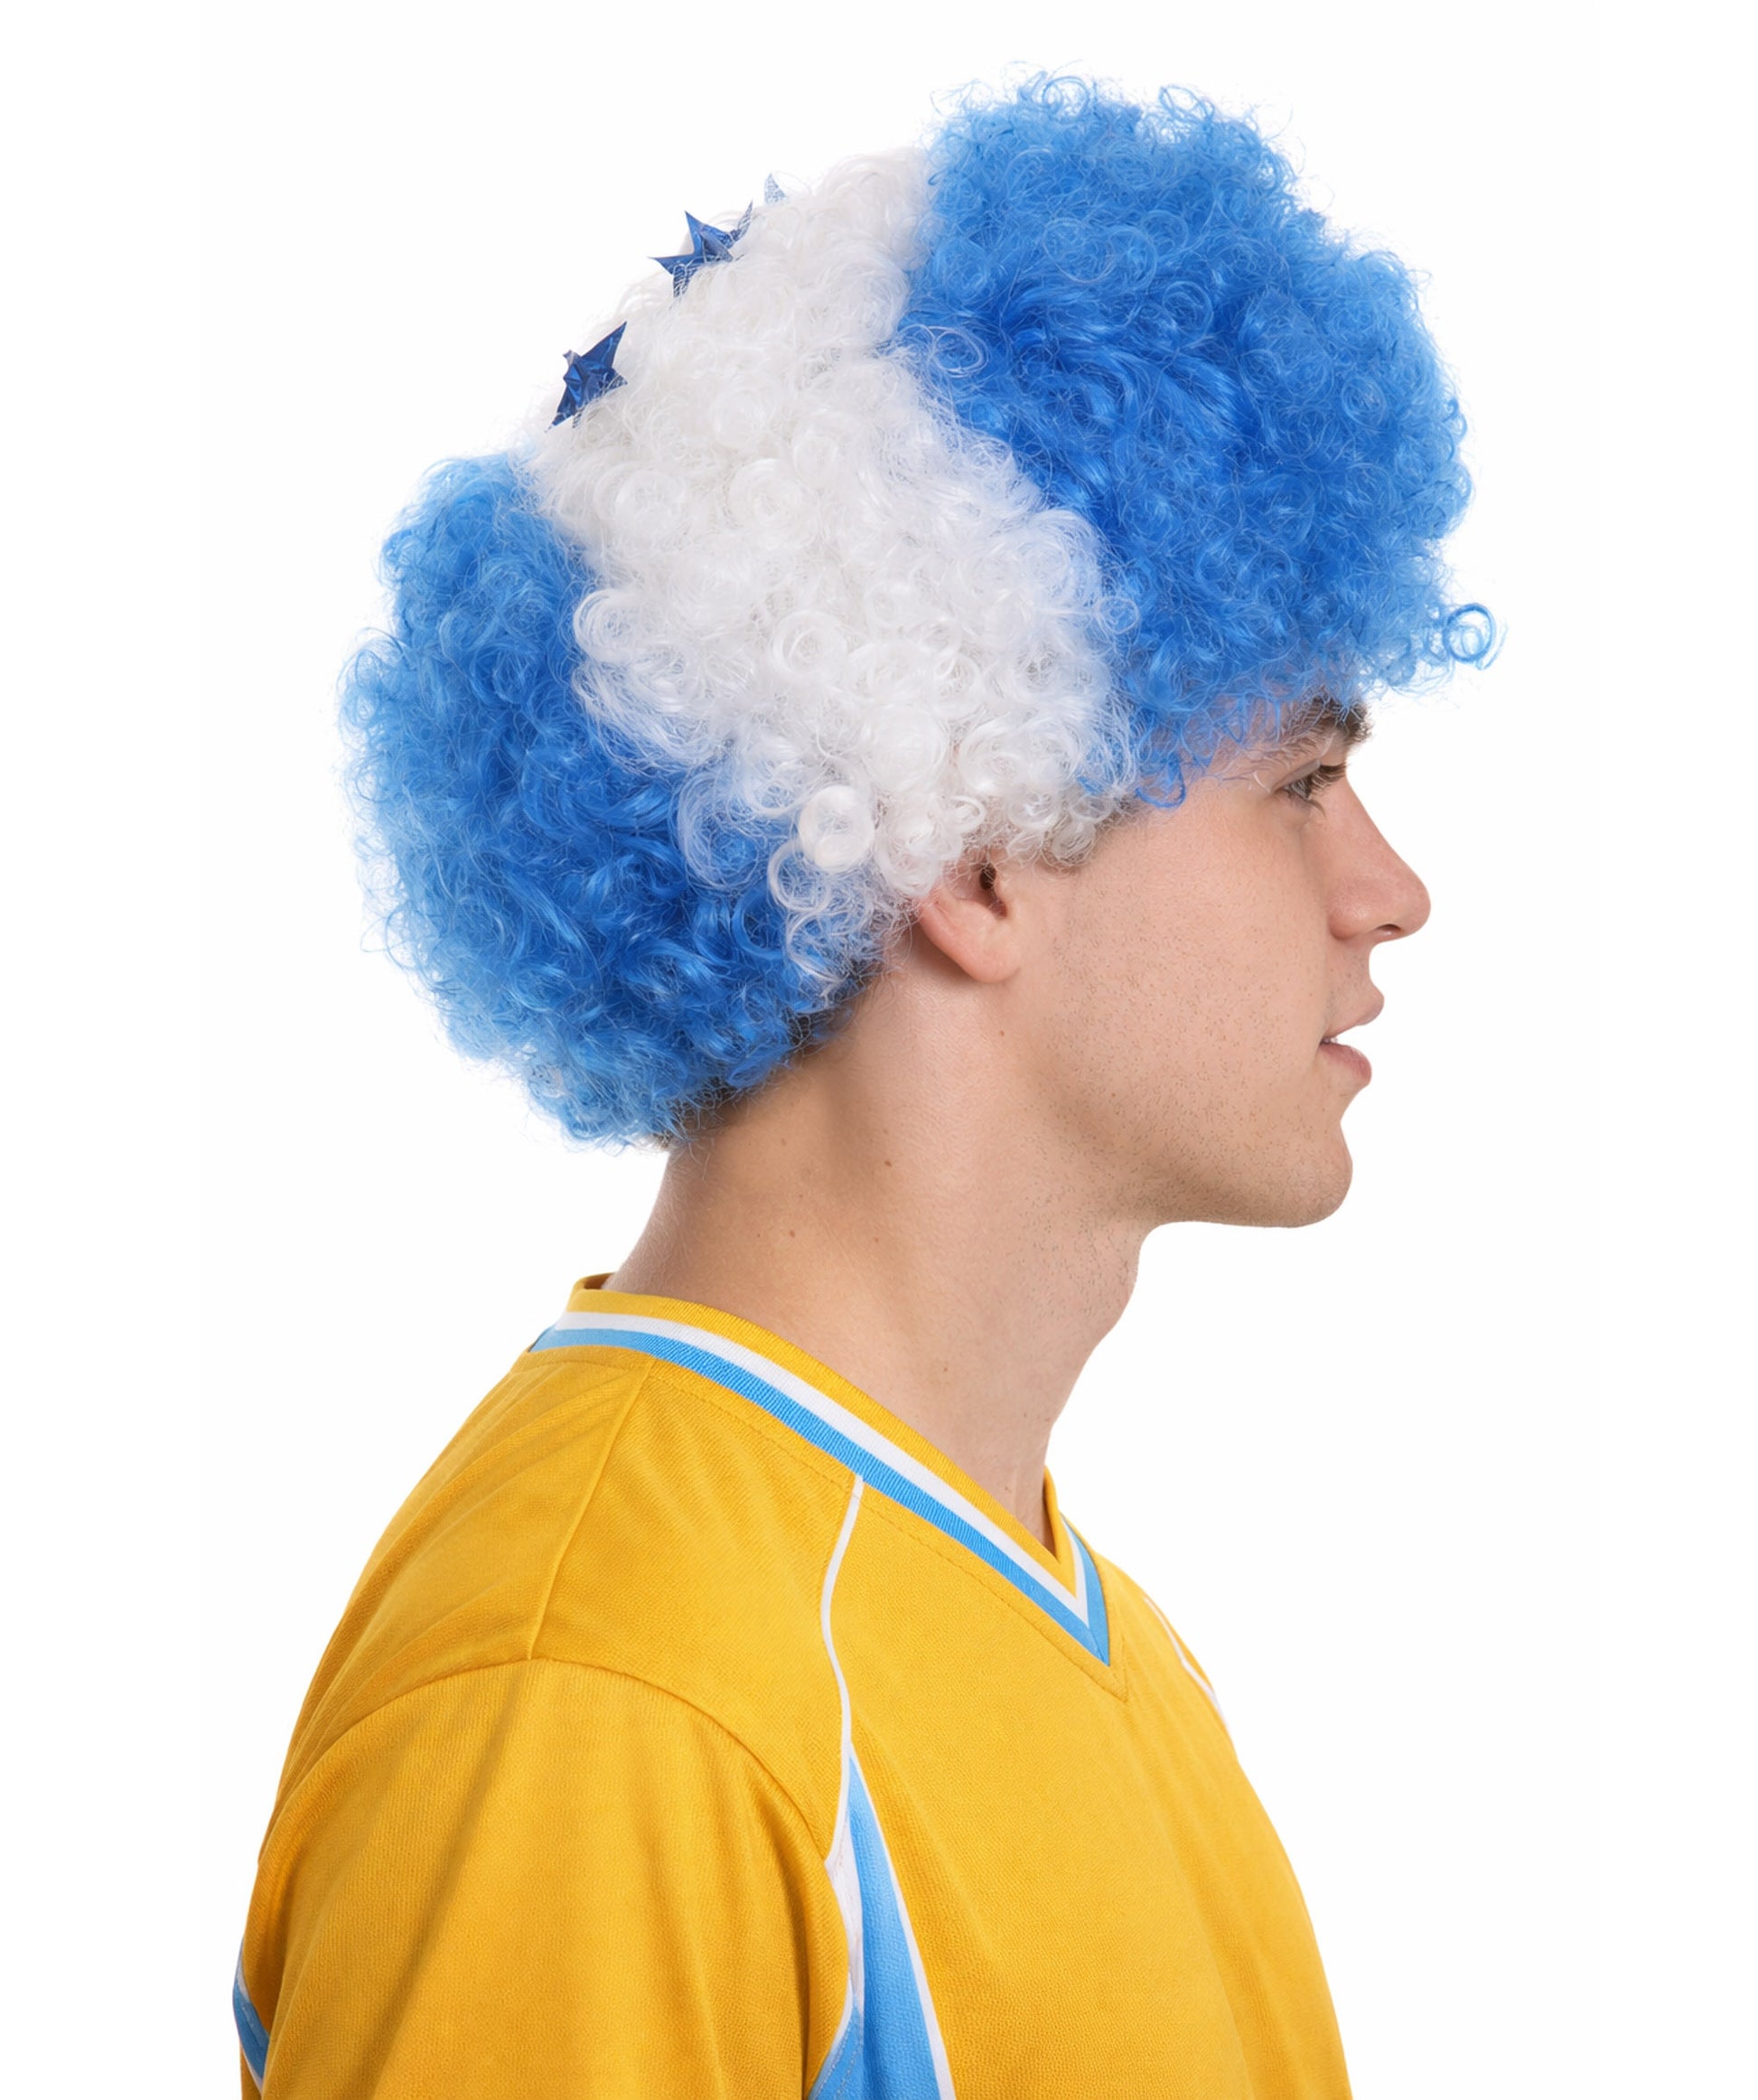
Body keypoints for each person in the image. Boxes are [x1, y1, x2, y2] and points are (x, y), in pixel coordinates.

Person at [234, 76, 1492, 2098]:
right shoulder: (605, 1694)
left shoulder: (1085, 1643)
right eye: (1303, 782)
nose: (1389, 891)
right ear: (976, 853)